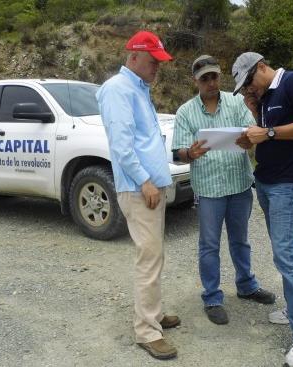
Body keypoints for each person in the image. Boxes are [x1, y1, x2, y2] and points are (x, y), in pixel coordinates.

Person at [232, 52, 293, 367]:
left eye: (248, 83)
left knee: (286, 254)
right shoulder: (266, 98)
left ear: (262, 67)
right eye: (243, 88)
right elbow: (271, 136)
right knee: (288, 252)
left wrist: (267, 132)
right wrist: (255, 128)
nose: (247, 90)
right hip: (268, 181)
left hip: (288, 182)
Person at [171, 55, 276, 326]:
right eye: (205, 78)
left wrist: (247, 141)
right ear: (195, 81)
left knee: (240, 240)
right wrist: (189, 153)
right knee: (209, 245)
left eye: (214, 76)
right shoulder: (185, 112)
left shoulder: (235, 102)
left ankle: (246, 285)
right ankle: (212, 297)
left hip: (239, 184)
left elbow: (252, 134)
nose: (211, 82)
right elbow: (178, 153)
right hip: (208, 189)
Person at [95, 30, 180, 360]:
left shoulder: (138, 89)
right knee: (148, 258)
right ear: (133, 57)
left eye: (160, 61)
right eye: (153, 60)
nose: (158, 67)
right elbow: (121, 144)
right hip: (138, 188)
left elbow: (143, 140)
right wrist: (145, 181)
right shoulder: (118, 89)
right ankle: (146, 330)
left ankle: (154, 315)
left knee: (154, 255)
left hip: (149, 187)